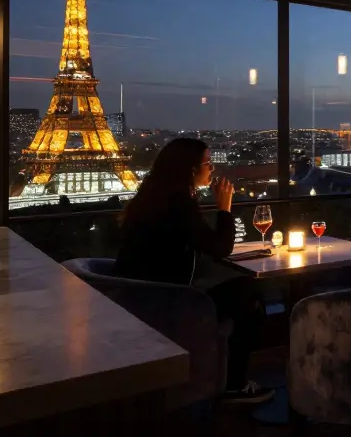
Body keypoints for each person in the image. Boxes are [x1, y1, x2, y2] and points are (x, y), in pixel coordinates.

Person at [115, 138, 272, 404]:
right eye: (208, 163)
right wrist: (224, 207)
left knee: (243, 291)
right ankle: (233, 383)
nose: (211, 169)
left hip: (137, 299)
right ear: (190, 169)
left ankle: (221, 377)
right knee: (249, 292)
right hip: (170, 302)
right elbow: (219, 248)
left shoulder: (152, 199)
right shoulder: (179, 205)